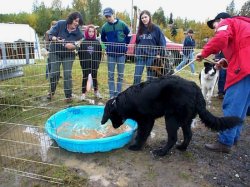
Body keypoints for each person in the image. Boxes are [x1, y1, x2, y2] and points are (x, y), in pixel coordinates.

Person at [196, 12, 250, 153]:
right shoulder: (242, 25)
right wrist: (225, 61)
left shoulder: (227, 23)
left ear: (221, 20)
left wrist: (203, 53)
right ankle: (234, 137)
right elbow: (241, 48)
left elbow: (220, 39)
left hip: (245, 67)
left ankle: (225, 141)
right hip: (247, 66)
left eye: (214, 25)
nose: (215, 29)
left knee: (232, 103)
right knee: (242, 105)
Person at [47, 12, 83, 103]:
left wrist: (74, 46)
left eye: (78, 22)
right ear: (71, 19)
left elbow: (81, 41)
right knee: (54, 72)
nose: (77, 23)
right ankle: (51, 92)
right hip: (55, 51)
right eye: (75, 21)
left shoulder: (78, 31)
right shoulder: (60, 24)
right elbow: (50, 35)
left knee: (67, 74)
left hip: (69, 54)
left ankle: (68, 96)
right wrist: (58, 40)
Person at [101, 7, 131, 98]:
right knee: (110, 75)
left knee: (120, 75)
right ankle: (111, 95)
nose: (108, 18)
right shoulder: (104, 27)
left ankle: (118, 94)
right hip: (111, 54)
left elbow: (129, 34)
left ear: (113, 14)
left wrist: (125, 45)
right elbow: (103, 39)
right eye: (106, 16)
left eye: (109, 16)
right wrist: (107, 48)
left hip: (121, 54)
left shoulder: (122, 24)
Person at [133, 10, 166, 84]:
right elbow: (137, 42)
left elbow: (162, 42)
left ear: (149, 17)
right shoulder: (140, 29)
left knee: (150, 78)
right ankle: (135, 93)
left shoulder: (156, 29)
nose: (144, 19)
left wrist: (160, 54)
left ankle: (149, 93)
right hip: (140, 56)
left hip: (152, 56)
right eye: (142, 18)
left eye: (145, 17)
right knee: (137, 76)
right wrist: (135, 52)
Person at [78, 25, 102, 100]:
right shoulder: (83, 42)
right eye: (89, 31)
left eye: (92, 31)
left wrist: (98, 62)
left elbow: (99, 53)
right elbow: (80, 53)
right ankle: (83, 93)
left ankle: (96, 91)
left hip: (94, 63)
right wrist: (82, 63)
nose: (91, 33)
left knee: (94, 77)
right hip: (85, 63)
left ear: (95, 32)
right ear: (87, 32)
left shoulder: (97, 42)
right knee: (85, 77)